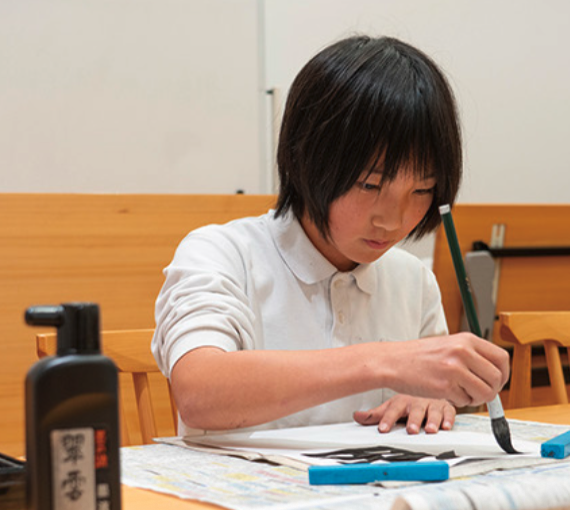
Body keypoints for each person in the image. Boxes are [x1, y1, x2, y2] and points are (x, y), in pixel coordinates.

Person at [151, 35, 510, 438]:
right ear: (305, 159)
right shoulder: (221, 254)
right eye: (370, 185)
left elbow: (432, 398)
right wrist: (384, 362)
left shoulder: (413, 281)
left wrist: (431, 405)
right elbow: (200, 393)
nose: (392, 220)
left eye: (422, 190)